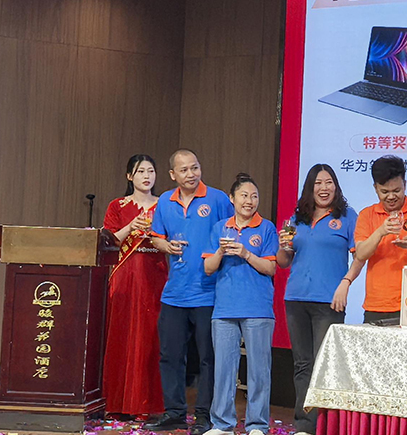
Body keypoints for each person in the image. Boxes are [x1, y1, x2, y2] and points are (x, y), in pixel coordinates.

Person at [144, 149, 233, 435]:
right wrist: (166, 246)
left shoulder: (218, 199)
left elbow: (235, 231)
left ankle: (205, 415)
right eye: (184, 170)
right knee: (170, 355)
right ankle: (175, 412)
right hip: (174, 293)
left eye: (195, 167)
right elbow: (156, 237)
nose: (191, 174)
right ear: (173, 175)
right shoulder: (165, 202)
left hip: (209, 292)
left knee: (208, 358)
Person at [278, 164, 363, 435]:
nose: (324, 188)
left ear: (336, 187)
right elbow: (283, 261)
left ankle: (325, 426)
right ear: (309, 188)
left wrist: (345, 284)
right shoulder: (297, 218)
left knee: (325, 365)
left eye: (328, 183)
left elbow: (360, 256)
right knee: (302, 364)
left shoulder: (347, 216)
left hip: (329, 302)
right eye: (318, 183)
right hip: (296, 298)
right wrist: (282, 246)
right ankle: (304, 425)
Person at [202, 174, 277, 435]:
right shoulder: (219, 228)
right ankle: (222, 424)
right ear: (232, 199)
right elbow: (208, 268)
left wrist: (245, 253)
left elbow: (270, 268)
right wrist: (221, 252)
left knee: (259, 370)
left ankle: (257, 425)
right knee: (223, 370)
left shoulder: (267, 228)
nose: (249, 201)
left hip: (258, 308)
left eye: (254, 196)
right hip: (224, 308)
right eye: (244, 196)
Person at [102, 154, 168, 419]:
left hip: (155, 276)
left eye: (151, 171)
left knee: (151, 337)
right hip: (125, 277)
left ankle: (147, 405)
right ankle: (117, 403)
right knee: (122, 335)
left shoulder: (165, 204)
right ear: (129, 176)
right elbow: (110, 242)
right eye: (140, 171)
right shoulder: (118, 206)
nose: (146, 176)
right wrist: (131, 226)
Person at [353, 155, 407, 324]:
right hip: (376, 305)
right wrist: (380, 232)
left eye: (397, 191)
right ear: (375, 188)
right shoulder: (366, 215)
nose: (391, 196)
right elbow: (361, 254)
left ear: (405, 185)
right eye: (385, 192)